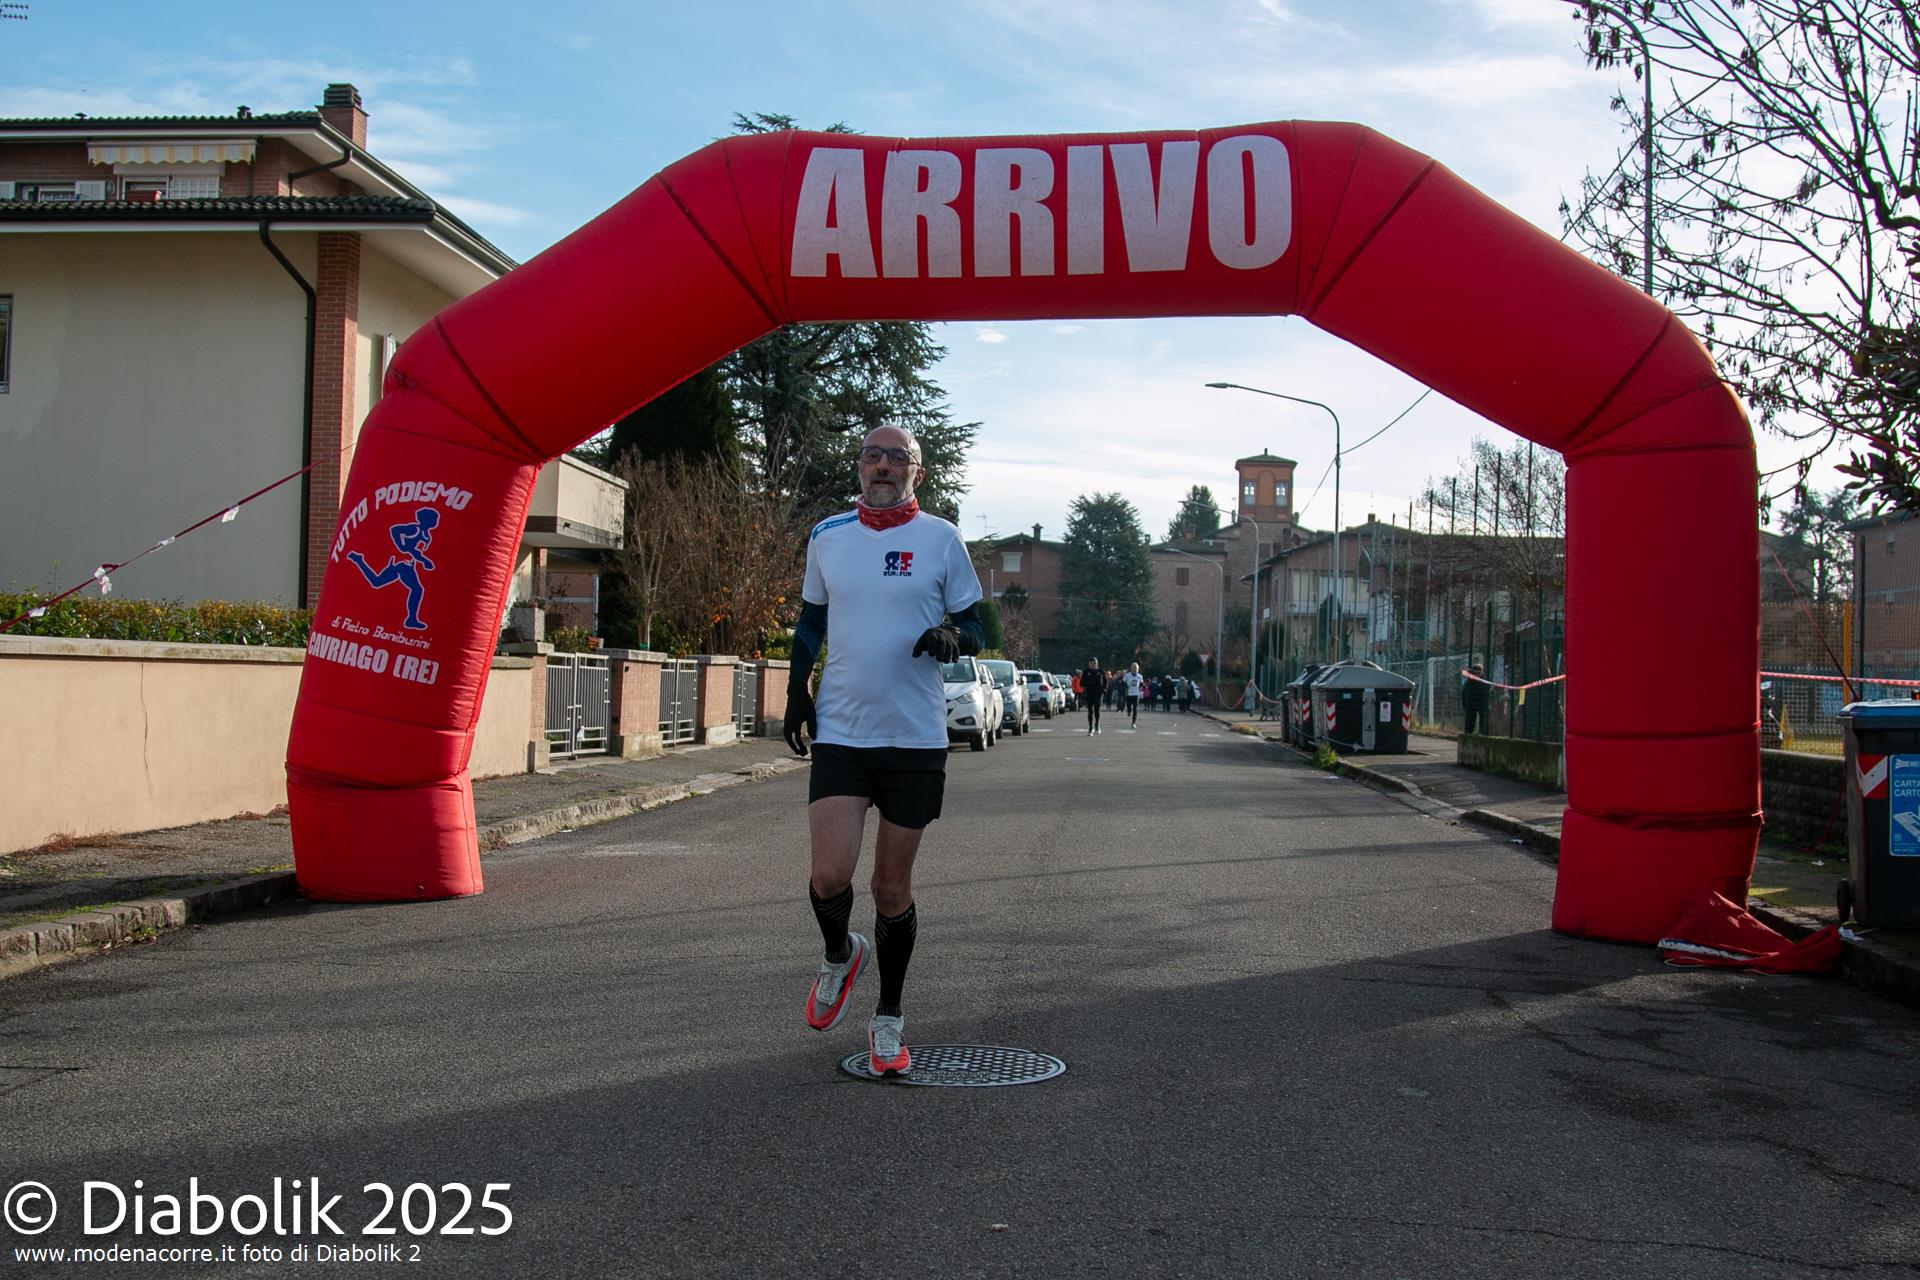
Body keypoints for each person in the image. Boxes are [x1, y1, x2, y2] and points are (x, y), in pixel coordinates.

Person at [782, 425, 986, 1078]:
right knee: (829, 876)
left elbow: (977, 624)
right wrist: (796, 691)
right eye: (874, 455)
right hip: (842, 731)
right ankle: (840, 954)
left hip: (915, 739)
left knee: (890, 886)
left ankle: (889, 1018)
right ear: (860, 466)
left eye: (899, 458)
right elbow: (811, 621)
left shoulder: (941, 538)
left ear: (916, 473)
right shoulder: (828, 535)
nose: (884, 466)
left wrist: (954, 636)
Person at [1461, 662, 1489, 736]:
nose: (1477, 675)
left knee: (1483, 719)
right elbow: (1464, 694)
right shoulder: (1469, 682)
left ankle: (1483, 734)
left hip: (1482, 704)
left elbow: (1488, 692)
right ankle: (1468, 735)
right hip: (1471, 704)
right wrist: (1465, 704)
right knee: (1470, 720)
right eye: (1476, 673)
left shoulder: (1484, 681)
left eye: (1479, 673)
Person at [1124, 662, 1145, 727]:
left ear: (1138, 669)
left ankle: (1133, 723)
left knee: (1135, 709)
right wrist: (1126, 686)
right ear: (1131, 668)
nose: (1135, 669)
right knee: (1129, 707)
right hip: (1129, 694)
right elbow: (1123, 682)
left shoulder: (1140, 676)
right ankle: (1129, 711)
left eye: (1136, 668)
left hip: (1136, 694)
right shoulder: (1127, 675)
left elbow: (1141, 684)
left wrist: (1142, 686)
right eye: (1134, 668)